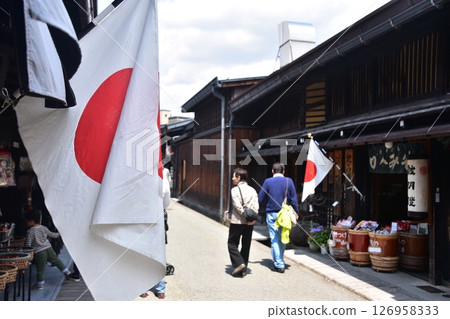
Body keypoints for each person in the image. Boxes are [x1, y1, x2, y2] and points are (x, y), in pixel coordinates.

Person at [258, 162, 298, 273]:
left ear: (272, 171)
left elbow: (260, 199)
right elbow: (294, 199)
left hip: (271, 213)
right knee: (283, 237)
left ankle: (279, 264)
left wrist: (257, 209)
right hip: (285, 214)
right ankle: (280, 261)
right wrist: (296, 212)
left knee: (275, 238)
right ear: (283, 171)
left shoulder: (267, 182)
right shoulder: (288, 181)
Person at [140, 165, 171, 299]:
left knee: (142, 251)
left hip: (142, 214)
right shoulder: (163, 171)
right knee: (159, 251)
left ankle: (142, 287)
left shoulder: (138, 171)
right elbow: (167, 199)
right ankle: (160, 289)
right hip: (158, 213)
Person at [24, 209, 74, 290]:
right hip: (48, 248)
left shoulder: (30, 231)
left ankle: (40, 284)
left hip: (39, 252)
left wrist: (26, 252)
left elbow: (28, 244)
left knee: (40, 268)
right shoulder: (44, 228)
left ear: (32, 221)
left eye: (27, 220)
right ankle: (67, 272)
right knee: (56, 261)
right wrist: (59, 233)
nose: (26, 222)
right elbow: (53, 235)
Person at [226, 167, 259, 277]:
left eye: (234, 176)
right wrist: (252, 219)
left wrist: (244, 218)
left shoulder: (234, 190)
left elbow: (237, 206)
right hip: (250, 222)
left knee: (232, 243)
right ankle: (243, 268)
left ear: (239, 178)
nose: (232, 178)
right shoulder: (253, 190)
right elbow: (256, 206)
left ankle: (239, 264)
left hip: (237, 222)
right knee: (246, 244)